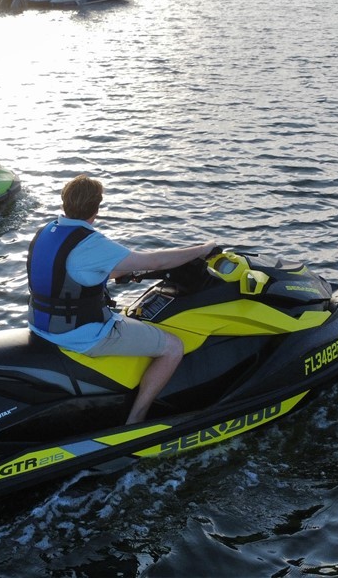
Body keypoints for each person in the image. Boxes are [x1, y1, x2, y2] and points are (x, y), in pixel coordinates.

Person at [27, 175, 216, 424]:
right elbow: (156, 261)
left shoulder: (46, 232)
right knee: (173, 347)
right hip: (79, 334)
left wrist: (122, 270)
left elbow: (73, 273)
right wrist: (203, 248)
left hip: (40, 325)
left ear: (64, 202)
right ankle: (136, 419)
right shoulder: (90, 244)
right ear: (97, 208)